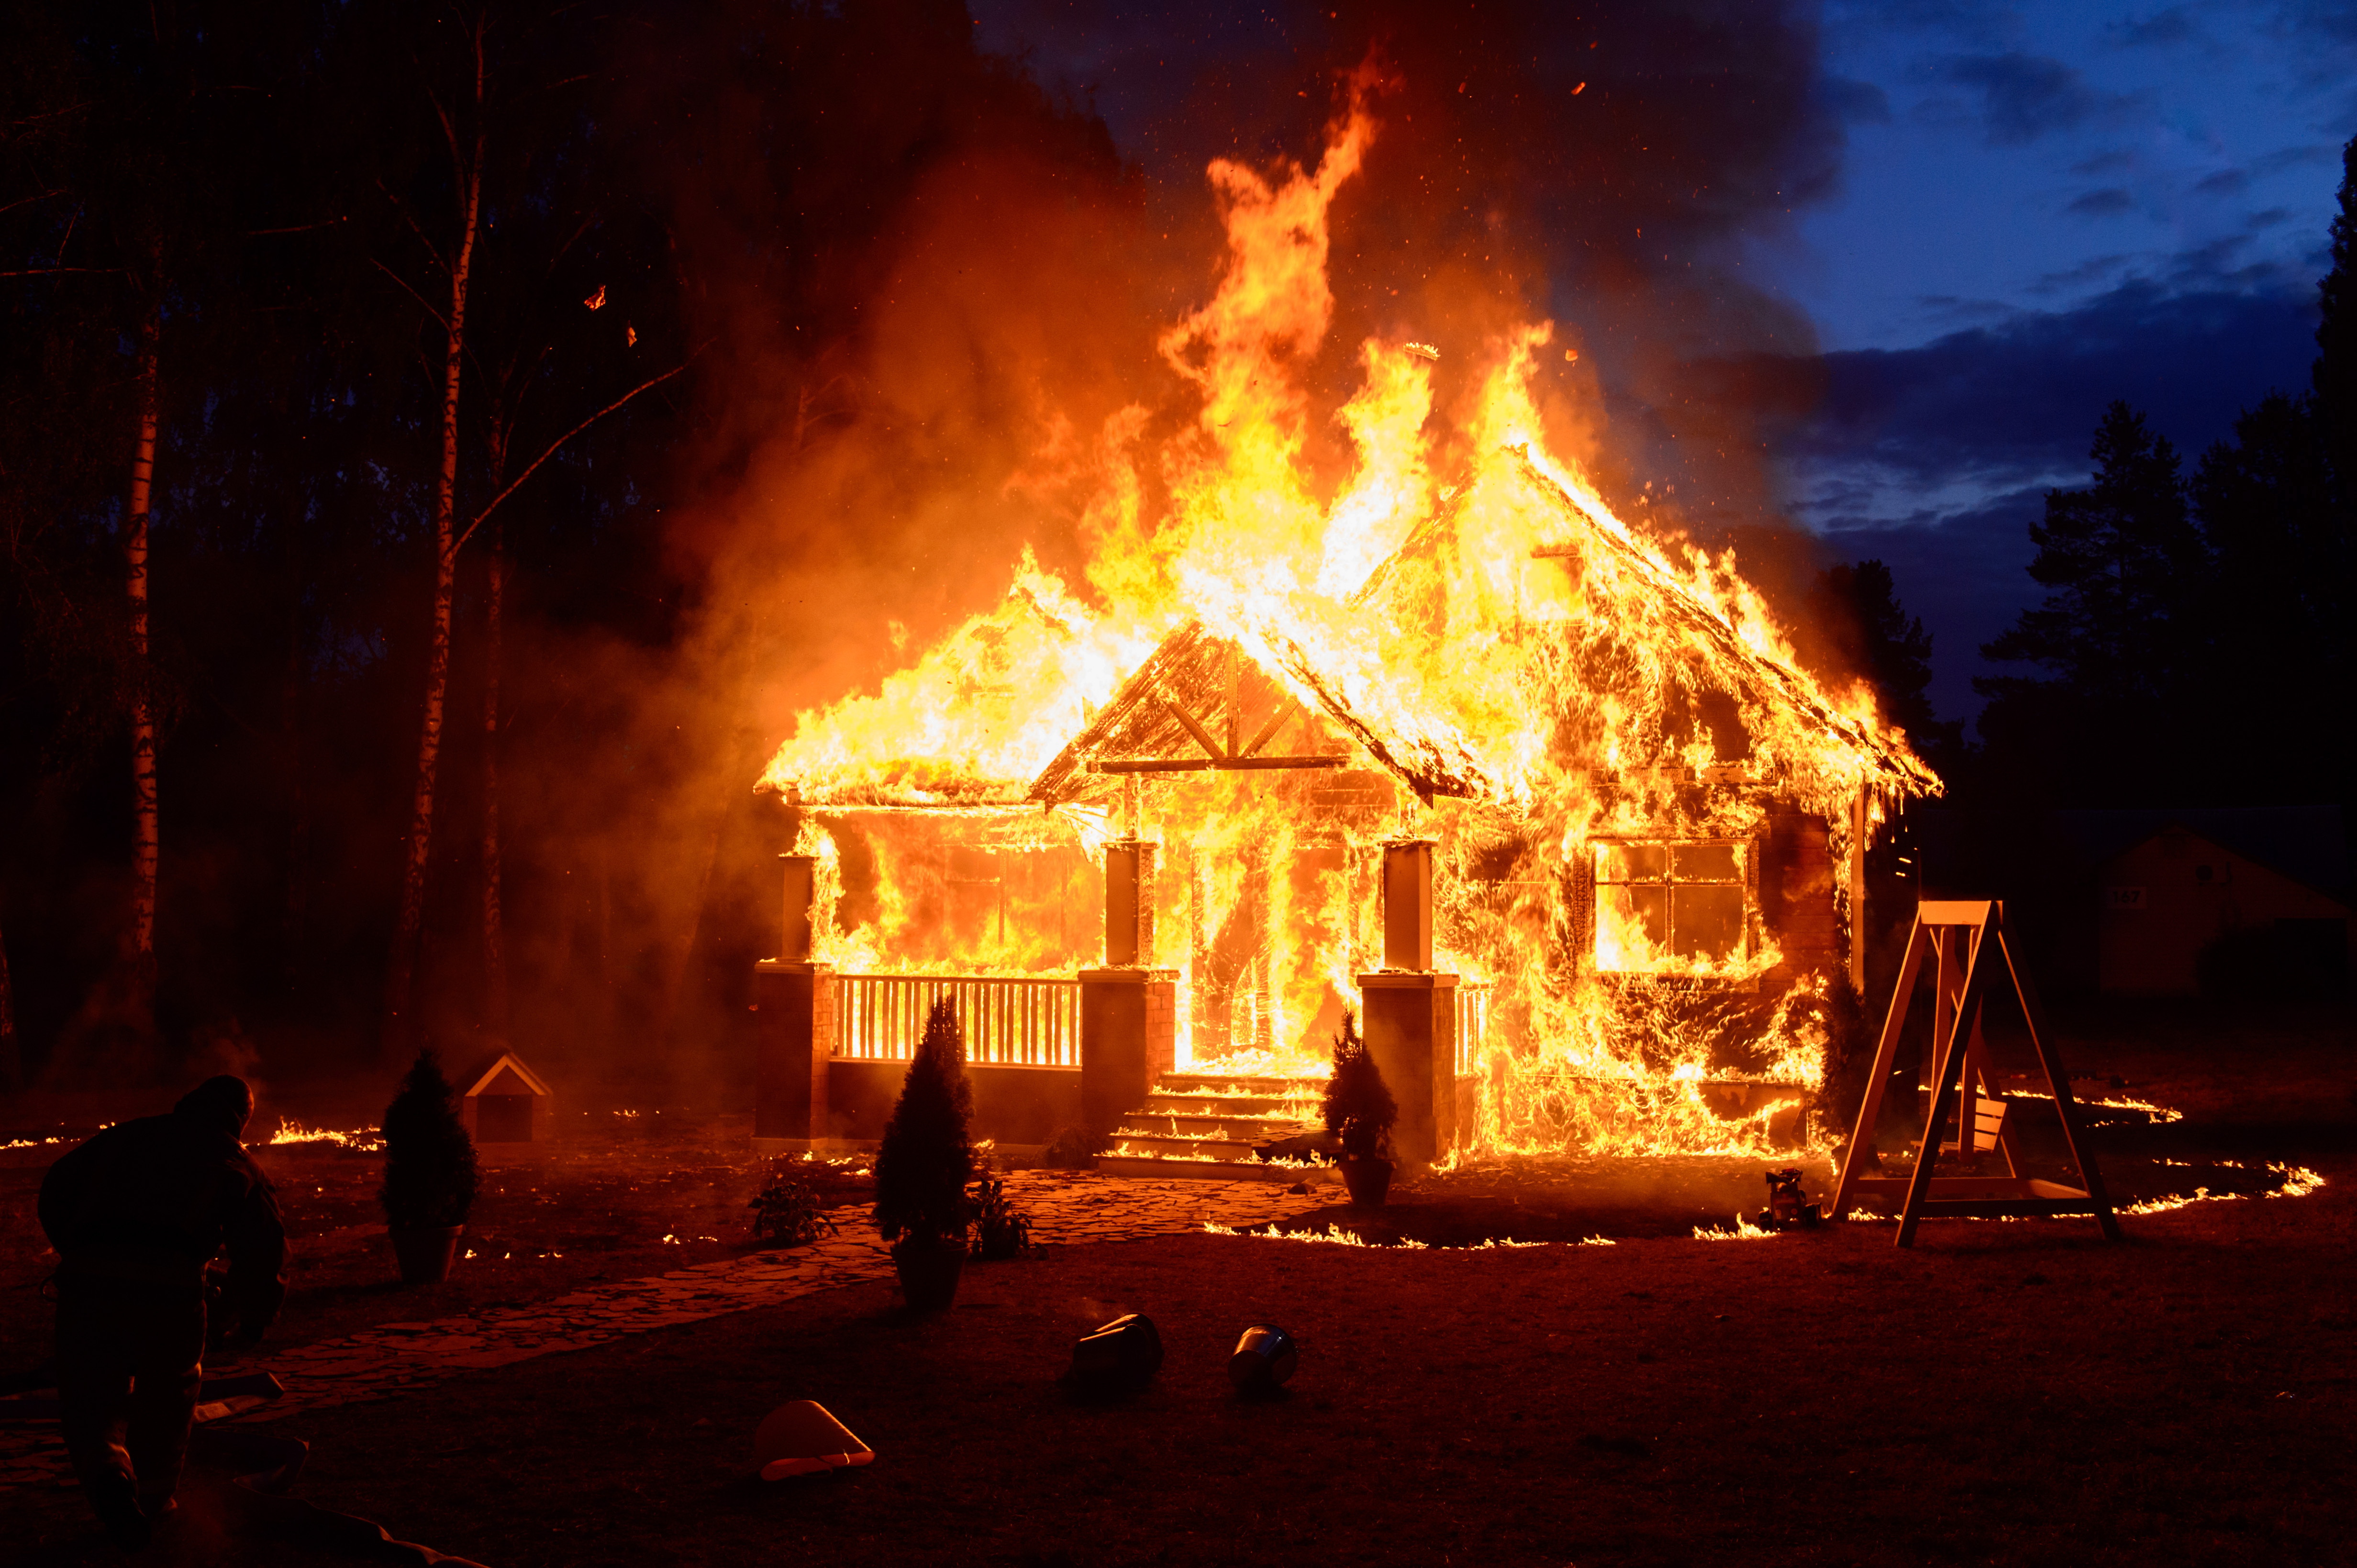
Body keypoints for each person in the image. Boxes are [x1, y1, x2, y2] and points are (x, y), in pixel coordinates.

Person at [37, 1075, 288, 1550]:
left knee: (91, 1395)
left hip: (89, 1290)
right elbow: (263, 1248)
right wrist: (254, 1313)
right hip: (169, 1296)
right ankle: (152, 1502)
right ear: (238, 1119)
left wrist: (77, 1248)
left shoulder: (122, 1138)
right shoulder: (234, 1160)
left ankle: (110, 1473)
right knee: (168, 1397)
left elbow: (56, 1187)